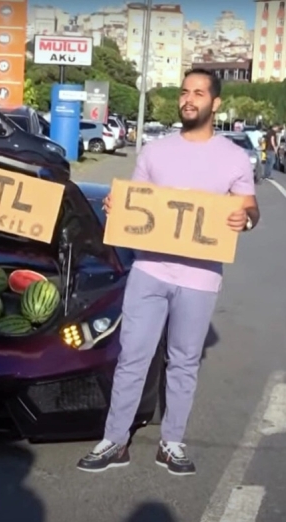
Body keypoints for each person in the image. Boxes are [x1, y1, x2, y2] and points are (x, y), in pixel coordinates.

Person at [77, 68, 260, 476]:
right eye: (184, 92)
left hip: (200, 279)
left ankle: (171, 443)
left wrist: (244, 220)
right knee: (132, 358)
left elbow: (250, 209)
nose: (188, 99)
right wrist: (116, 207)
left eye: (198, 93)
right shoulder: (154, 152)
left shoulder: (233, 157)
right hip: (149, 271)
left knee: (184, 362)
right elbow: (134, 203)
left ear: (215, 103)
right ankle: (114, 441)